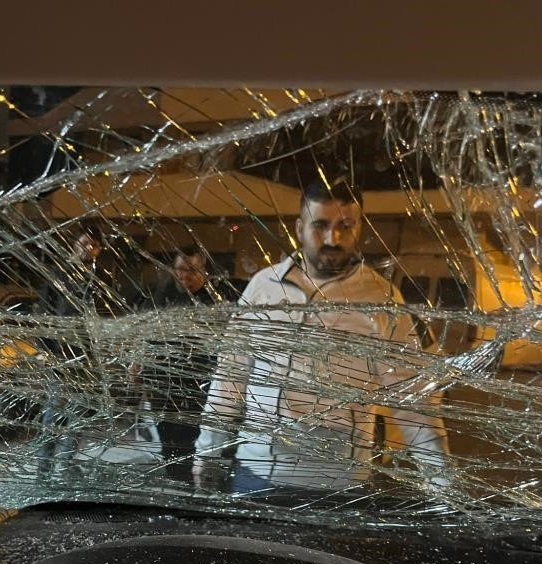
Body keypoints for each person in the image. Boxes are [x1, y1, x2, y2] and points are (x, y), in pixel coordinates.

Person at [193, 180, 450, 498]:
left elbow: (412, 401)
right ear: (299, 228)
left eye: (346, 226)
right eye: (321, 226)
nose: (333, 238)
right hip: (255, 477)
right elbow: (230, 378)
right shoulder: (264, 287)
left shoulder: (381, 299)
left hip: (339, 487)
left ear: (359, 228)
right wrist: (207, 454)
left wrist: (442, 486)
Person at [34, 226, 109, 478]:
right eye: (84, 242)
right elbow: (45, 312)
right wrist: (45, 351)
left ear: (99, 249)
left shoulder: (101, 279)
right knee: (55, 413)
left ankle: (66, 466)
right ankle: (43, 469)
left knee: (79, 415)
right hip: (62, 356)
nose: (88, 248)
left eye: (94, 244)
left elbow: (107, 318)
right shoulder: (60, 275)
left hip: (89, 359)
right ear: (74, 244)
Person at [138, 247, 217, 481]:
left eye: (192, 271)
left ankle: (189, 487)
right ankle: (177, 485)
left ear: (205, 273)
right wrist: (141, 368)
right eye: (180, 270)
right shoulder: (164, 298)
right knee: (168, 442)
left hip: (197, 389)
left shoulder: (213, 303)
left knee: (191, 442)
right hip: (164, 388)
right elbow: (149, 337)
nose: (184, 276)